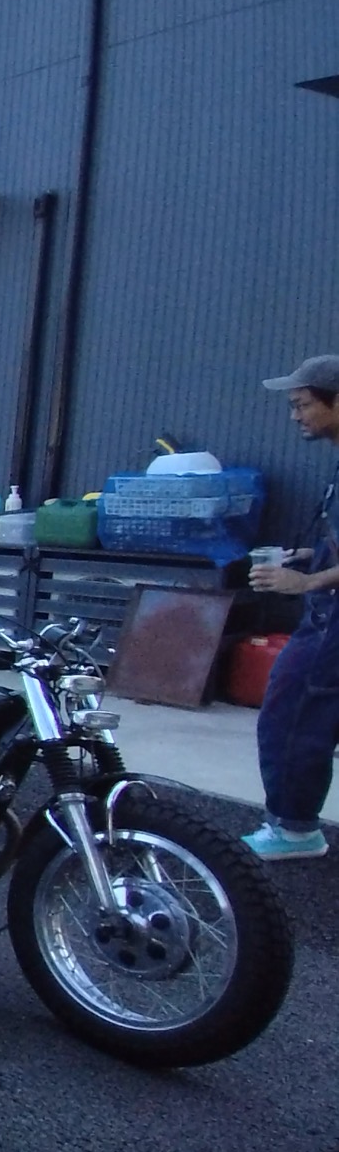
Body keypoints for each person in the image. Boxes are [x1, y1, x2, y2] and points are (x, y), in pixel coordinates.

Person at [244, 354, 339, 861]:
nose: (295, 415)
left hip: (331, 623)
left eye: (303, 404)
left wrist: (307, 581)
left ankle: (295, 829)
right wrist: (310, 555)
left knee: (293, 716)